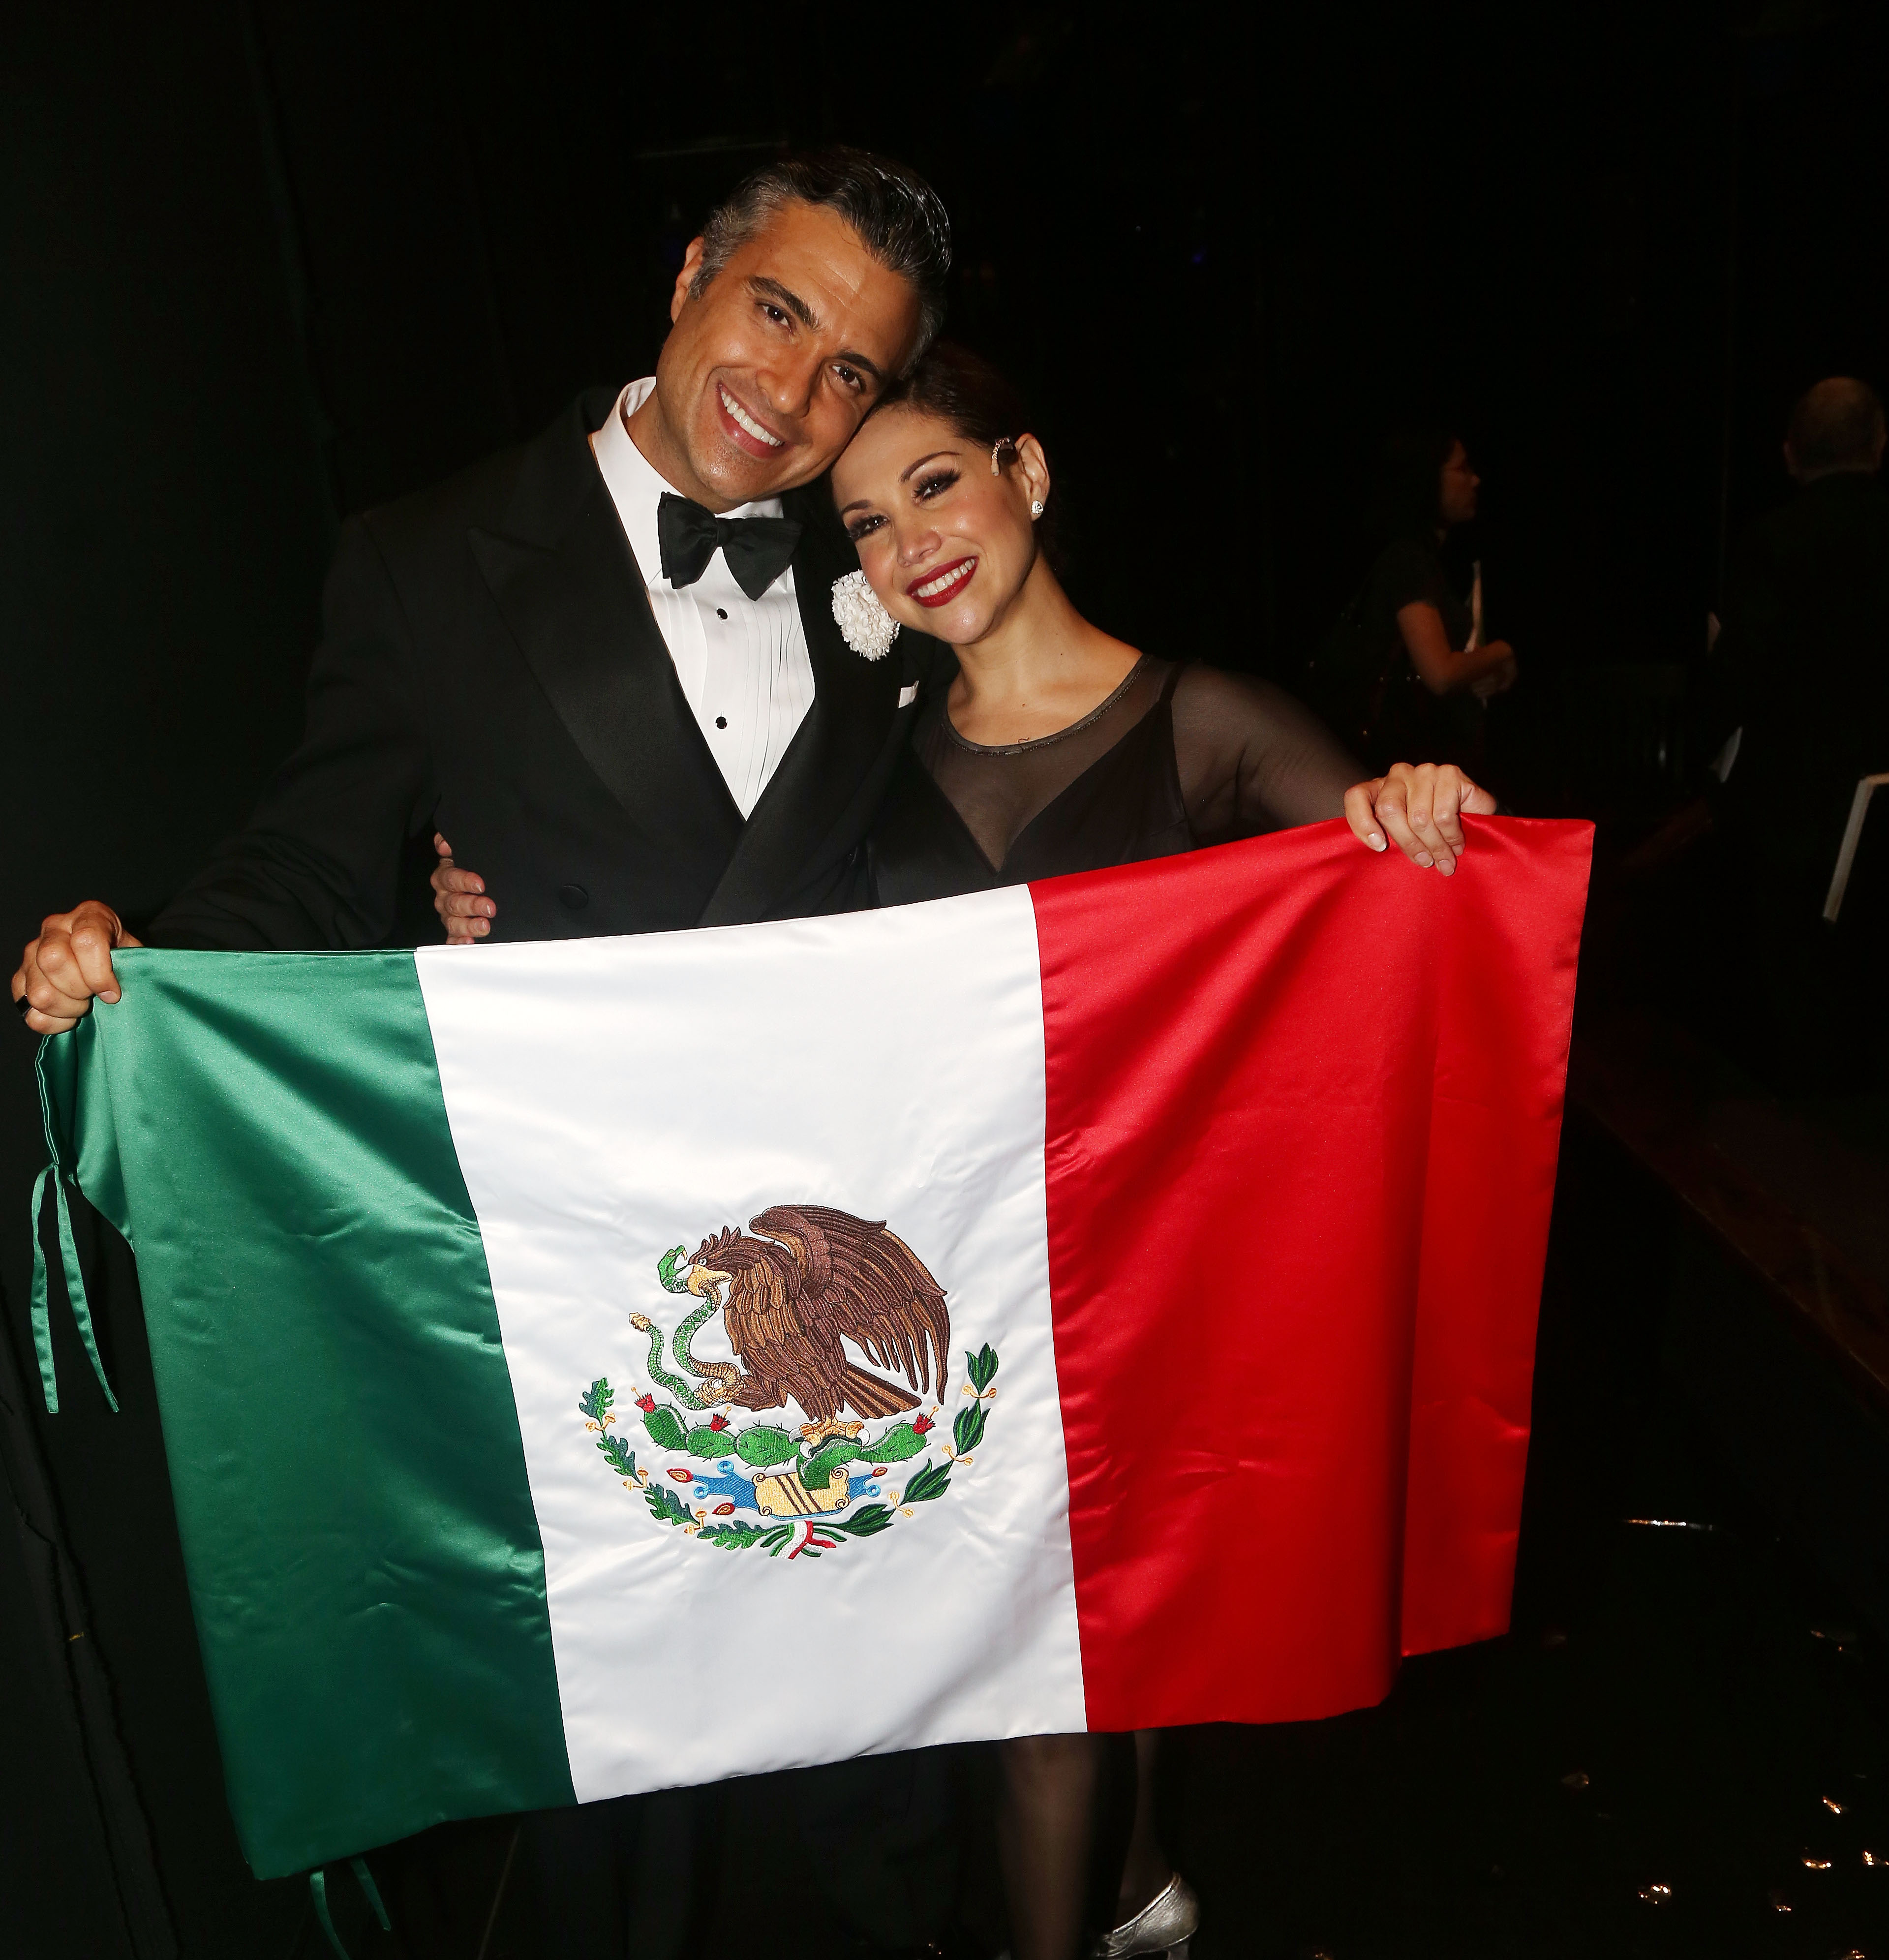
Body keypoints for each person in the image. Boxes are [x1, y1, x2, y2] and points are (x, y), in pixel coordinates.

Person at [432, 342, 1497, 1960]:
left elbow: (1388, 919)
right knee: (1051, 1677)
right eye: (865, 522)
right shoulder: (875, 753)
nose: (909, 542)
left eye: (935, 485)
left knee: (1066, 1672)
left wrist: (1412, 803)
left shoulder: (1205, 720)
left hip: (1143, 1293)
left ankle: (1116, 1892)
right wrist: (488, 908)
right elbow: (734, 961)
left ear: (1029, 472)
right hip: (973, 1301)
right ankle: (1135, 1884)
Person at [1700, 374, 1889, 1090]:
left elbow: (1736, 679)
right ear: (1879, 445)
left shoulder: (1774, 543)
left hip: (1796, 818)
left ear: (1790, 454)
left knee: (1796, 1007)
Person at [1308, 427, 1518, 775]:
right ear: (1426, 478)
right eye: (1462, 468)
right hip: (1391, 761)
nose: (1476, 480)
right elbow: (1440, 673)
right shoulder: (1408, 559)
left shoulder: (1430, 560)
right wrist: (1503, 652)